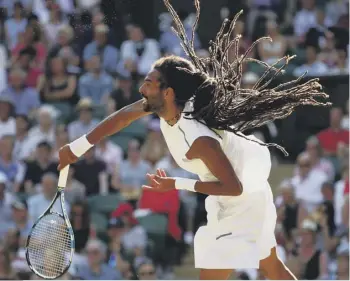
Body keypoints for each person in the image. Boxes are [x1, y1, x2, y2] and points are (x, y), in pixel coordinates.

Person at [58, 1, 329, 279]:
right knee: (272, 267)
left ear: (168, 93)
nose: (141, 89)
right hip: (240, 192)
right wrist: (77, 147)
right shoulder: (161, 106)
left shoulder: (198, 138)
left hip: (242, 197)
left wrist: (176, 184)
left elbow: (233, 188)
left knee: (239, 269)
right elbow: (122, 117)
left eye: (149, 83)